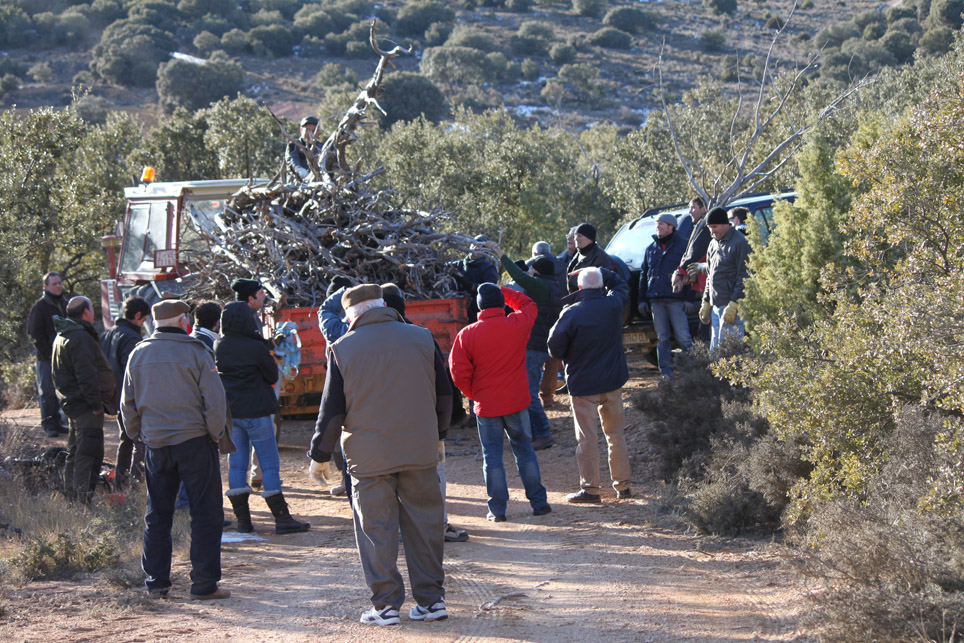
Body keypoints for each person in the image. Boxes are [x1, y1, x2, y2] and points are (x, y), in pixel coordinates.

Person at [309, 284, 451, 626]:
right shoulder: (421, 337)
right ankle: (431, 602)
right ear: (382, 305)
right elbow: (445, 393)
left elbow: (332, 411)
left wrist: (320, 455)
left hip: (368, 457)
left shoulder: (342, 348)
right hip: (419, 449)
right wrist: (439, 436)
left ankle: (386, 606)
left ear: (350, 315)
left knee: (376, 529)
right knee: (426, 526)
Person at [121, 300, 230, 600]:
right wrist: (214, 434)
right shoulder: (197, 351)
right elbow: (215, 400)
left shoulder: (138, 353)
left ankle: (156, 583)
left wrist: (139, 435)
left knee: (157, 514)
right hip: (195, 442)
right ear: (183, 321)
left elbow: (127, 404)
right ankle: (204, 584)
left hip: (156, 444)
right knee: (206, 513)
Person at [449, 283, 552, 522]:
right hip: (516, 402)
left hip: (486, 405)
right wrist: (502, 290)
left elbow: (458, 372)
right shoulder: (517, 324)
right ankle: (539, 503)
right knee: (524, 451)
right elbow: (528, 304)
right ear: (501, 303)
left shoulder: (468, 334)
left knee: (492, 457)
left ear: (479, 306)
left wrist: (473, 394)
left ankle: (497, 511)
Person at [380, 283, 469, 544]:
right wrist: (443, 428)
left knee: (389, 476)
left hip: (383, 423)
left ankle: (397, 529)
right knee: (433, 474)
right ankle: (438, 525)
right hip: (421, 420)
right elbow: (443, 386)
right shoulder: (421, 336)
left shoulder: (365, 339)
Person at [217, 301, 309, 535]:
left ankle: (243, 521)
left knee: (237, 465)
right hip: (257, 411)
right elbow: (271, 375)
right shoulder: (255, 346)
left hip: (232, 413)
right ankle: (282, 518)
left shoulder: (219, 345)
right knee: (269, 465)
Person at [548, 267, 633, 503]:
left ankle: (591, 490)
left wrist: (570, 356)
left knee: (587, 439)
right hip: (612, 382)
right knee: (616, 435)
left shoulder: (572, 312)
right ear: (602, 285)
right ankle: (624, 486)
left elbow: (554, 347)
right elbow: (621, 284)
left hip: (583, 385)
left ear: (580, 287)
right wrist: (602, 270)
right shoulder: (613, 304)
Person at [489, 242, 562, 450]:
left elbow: (519, 277)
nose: (529, 270)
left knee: (529, 393)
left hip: (535, 346)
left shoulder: (540, 286)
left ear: (537, 271)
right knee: (527, 391)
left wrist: (502, 255)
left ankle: (543, 434)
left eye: (532, 268)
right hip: (541, 344)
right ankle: (534, 432)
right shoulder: (553, 285)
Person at [51, 296, 116, 503]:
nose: (93, 312)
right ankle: (82, 501)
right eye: (92, 309)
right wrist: (96, 405)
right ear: (86, 312)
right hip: (85, 406)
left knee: (76, 451)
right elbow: (86, 374)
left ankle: (72, 499)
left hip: (74, 404)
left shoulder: (64, 334)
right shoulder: (79, 337)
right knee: (88, 453)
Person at [100, 296, 150, 487]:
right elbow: (133, 371)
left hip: (112, 397)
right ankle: (136, 485)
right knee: (139, 442)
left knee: (126, 440)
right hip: (128, 398)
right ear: (137, 315)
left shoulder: (107, 334)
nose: (143, 324)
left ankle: (121, 482)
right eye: (144, 319)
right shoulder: (131, 337)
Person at [638, 214, 693, 378]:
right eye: (657, 224)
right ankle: (666, 376)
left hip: (676, 300)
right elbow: (643, 275)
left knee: (684, 338)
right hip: (656, 301)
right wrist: (641, 300)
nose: (658, 227)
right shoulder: (650, 248)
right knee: (662, 338)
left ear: (671, 226)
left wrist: (689, 299)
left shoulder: (684, 246)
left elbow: (691, 273)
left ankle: (693, 373)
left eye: (661, 224)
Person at [691, 207, 752, 351]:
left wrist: (734, 303)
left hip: (732, 307)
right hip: (716, 306)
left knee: (730, 353)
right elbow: (710, 275)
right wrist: (706, 301)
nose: (712, 231)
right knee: (716, 353)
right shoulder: (713, 243)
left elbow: (745, 275)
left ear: (725, 224)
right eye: (710, 227)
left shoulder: (740, 242)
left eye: (715, 226)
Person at [26, 271, 68, 437]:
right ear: (46, 286)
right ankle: (49, 425)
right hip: (46, 358)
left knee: (62, 389)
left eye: (59, 283)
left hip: (64, 357)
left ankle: (58, 423)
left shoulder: (65, 303)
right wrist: (47, 353)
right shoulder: (40, 307)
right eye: (54, 284)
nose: (58, 286)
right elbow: (33, 334)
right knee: (47, 391)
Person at [565, 223, 619, 293]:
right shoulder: (579, 254)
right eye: (575, 235)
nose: (576, 238)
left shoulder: (601, 258)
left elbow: (608, 285)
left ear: (590, 238)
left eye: (579, 236)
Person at [286, 116, 322, 182]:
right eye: (307, 130)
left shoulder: (321, 147)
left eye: (314, 130)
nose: (310, 133)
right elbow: (292, 161)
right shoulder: (293, 145)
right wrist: (302, 172)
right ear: (301, 130)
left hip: (319, 182)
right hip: (297, 183)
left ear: (318, 132)